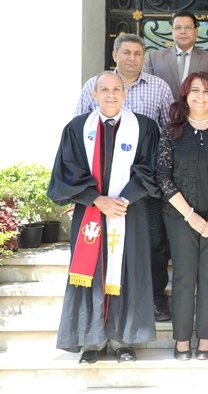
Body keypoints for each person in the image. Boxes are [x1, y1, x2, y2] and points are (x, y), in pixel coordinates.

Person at [48, 71, 160, 363]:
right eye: (104, 90)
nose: (111, 95)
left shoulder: (144, 128)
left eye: (116, 89)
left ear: (125, 94)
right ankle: (92, 341)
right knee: (90, 274)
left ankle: (124, 340)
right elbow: (67, 172)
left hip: (129, 212)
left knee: (127, 270)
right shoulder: (77, 129)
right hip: (90, 213)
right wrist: (97, 199)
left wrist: (123, 200)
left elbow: (150, 170)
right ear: (93, 95)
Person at [74, 33, 174, 322]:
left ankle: (155, 297)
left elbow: (169, 131)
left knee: (153, 242)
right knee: (102, 244)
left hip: (144, 184)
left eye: (138, 53)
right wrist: (90, 192)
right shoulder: (94, 85)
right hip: (101, 188)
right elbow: (79, 130)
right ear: (115, 55)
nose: (132, 58)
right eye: (126, 52)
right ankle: (101, 303)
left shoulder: (159, 87)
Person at [155, 72, 208, 361]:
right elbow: (163, 177)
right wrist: (190, 215)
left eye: (206, 91)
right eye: (194, 91)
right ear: (185, 96)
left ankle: (205, 336)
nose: (200, 96)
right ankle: (181, 339)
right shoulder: (171, 132)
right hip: (180, 216)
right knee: (183, 276)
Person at [143, 11, 208, 99]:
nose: (183, 31)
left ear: (196, 32)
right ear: (172, 31)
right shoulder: (154, 58)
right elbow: (146, 91)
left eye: (188, 27)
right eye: (178, 27)